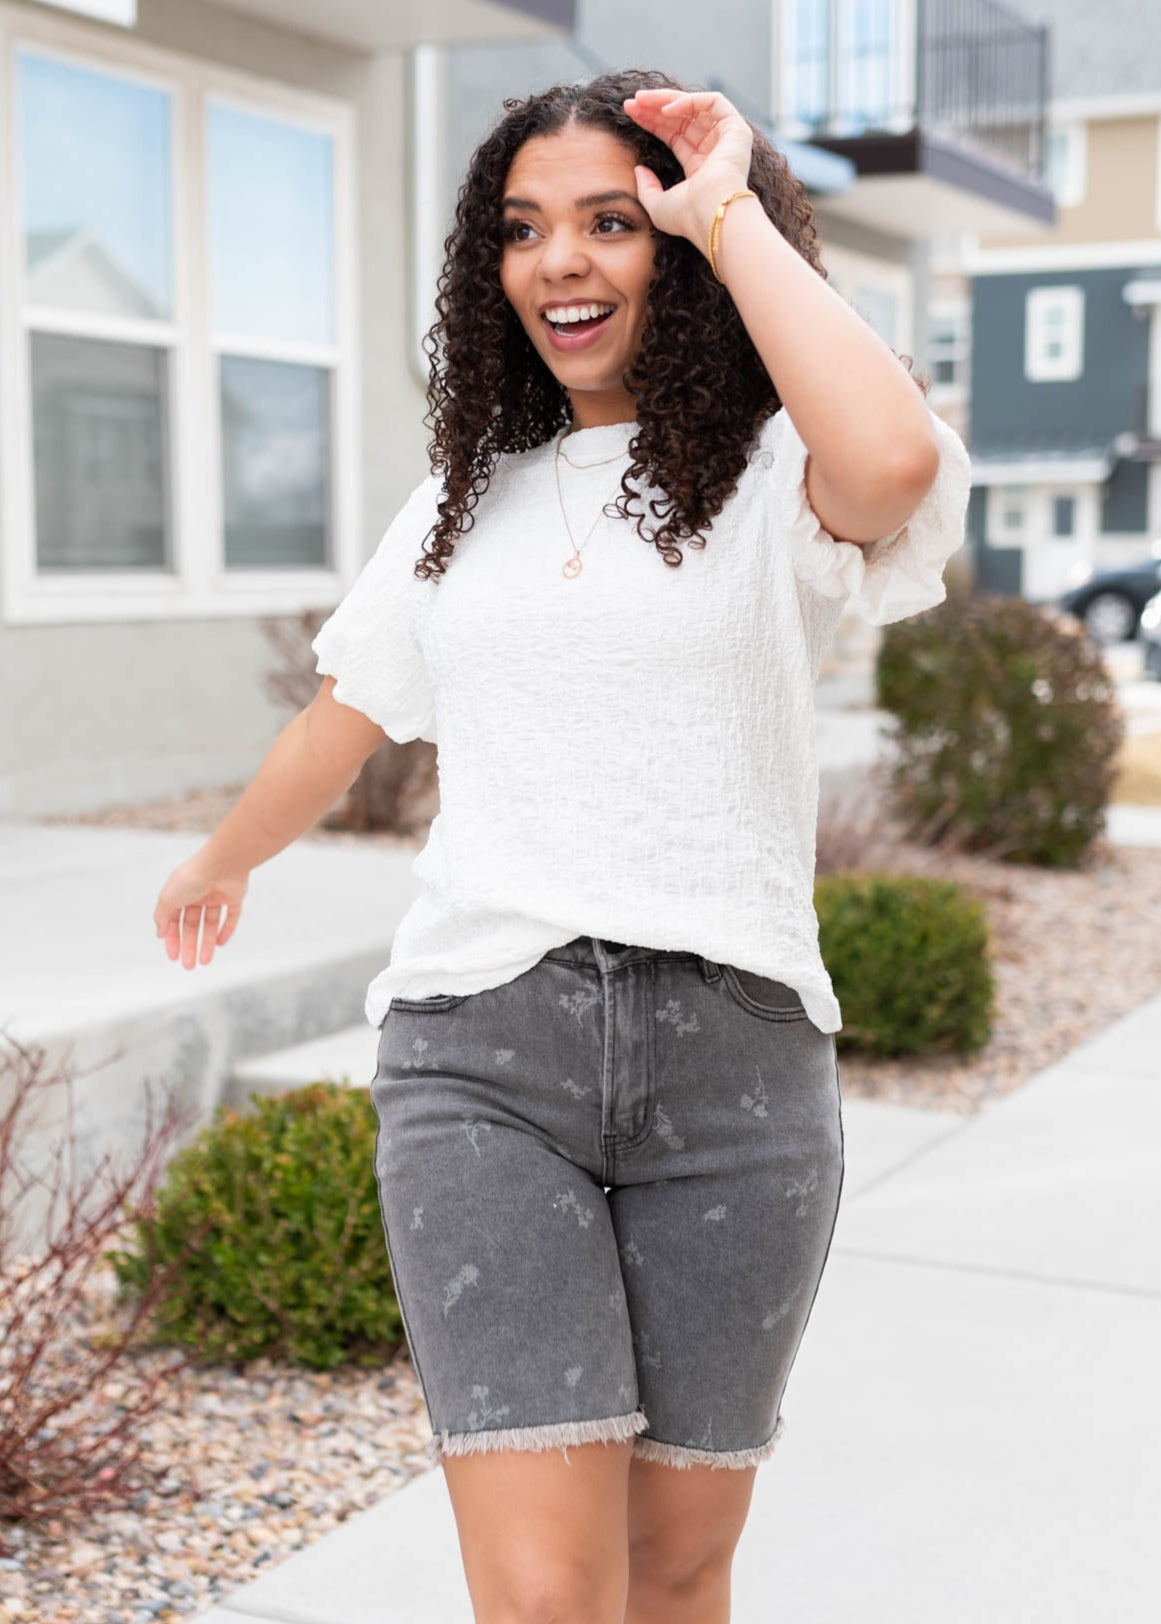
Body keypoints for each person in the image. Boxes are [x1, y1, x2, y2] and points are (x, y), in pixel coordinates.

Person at [154, 67, 971, 1624]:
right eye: (525, 230)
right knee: (541, 1596)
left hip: (735, 1070)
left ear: (683, 247)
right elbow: (342, 717)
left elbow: (895, 461)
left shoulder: (769, 477)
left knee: (674, 1571)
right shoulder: (463, 505)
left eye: (612, 220)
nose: (562, 261)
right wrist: (223, 858)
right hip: (484, 1063)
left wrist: (720, 200)